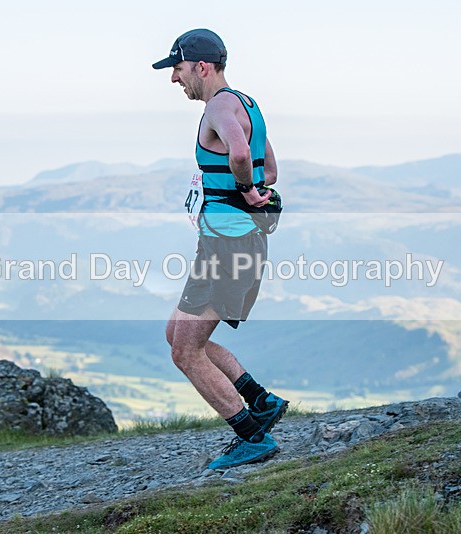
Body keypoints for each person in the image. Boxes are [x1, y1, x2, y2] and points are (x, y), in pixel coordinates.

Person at [153, 28, 289, 470]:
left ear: (201, 66)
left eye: (177, 69)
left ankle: (252, 437)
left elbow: (240, 156)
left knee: (184, 352)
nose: (175, 79)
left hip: (228, 249)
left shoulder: (219, 106)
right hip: (227, 244)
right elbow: (271, 164)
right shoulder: (249, 103)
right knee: (177, 335)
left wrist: (247, 192)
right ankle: (260, 401)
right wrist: (254, 192)